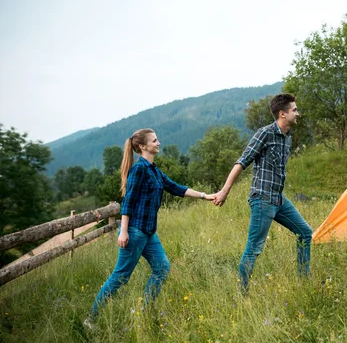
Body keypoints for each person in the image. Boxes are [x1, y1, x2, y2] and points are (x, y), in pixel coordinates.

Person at [84, 128, 214, 330]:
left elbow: (177, 188)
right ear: (143, 146)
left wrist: (205, 196)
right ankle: (91, 319)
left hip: (148, 232)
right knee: (120, 277)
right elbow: (128, 201)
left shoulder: (154, 170)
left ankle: (143, 314)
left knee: (162, 268)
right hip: (134, 231)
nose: (158, 143)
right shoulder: (139, 170)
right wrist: (124, 231)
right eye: (154, 140)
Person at [213, 93, 312, 294]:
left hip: (278, 198)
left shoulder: (287, 138)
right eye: (294, 110)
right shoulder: (264, 134)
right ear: (282, 114)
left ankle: (304, 283)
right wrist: (225, 191)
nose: (297, 114)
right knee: (254, 248)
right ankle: (242, 295)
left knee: (305, 233)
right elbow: (242, 162)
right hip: (262, 199)